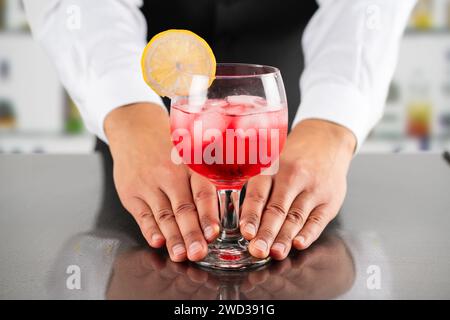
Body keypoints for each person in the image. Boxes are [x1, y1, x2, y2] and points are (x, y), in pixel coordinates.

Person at [23, 0, 416, 263]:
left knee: (302, 244)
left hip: (285, 116)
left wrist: (332, 122)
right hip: (152, 121)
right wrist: (126, 110)